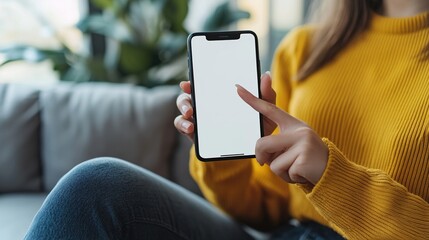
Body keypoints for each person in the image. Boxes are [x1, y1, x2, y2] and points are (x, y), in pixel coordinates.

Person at [25, 0, 429, 239]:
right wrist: (224, 154)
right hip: (289, 234)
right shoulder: (307, 47)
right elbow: (264, 209)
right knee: (97, 185)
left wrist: (332, 175)